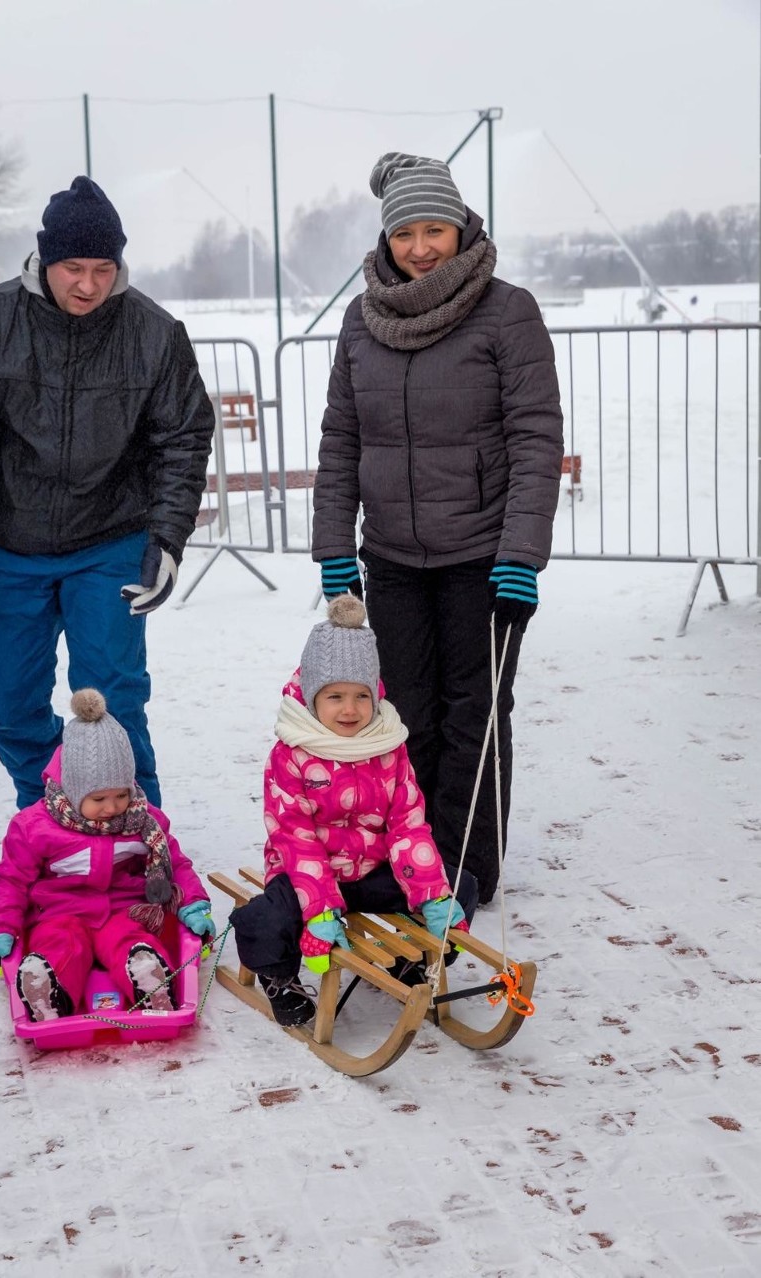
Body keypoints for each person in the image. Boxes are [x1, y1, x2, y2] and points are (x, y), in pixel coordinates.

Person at [313, 152, 564, 905]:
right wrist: (333, 548)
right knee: (403, 715)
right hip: (389, 555)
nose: (420, 247)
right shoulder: (363, 319)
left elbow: (534, 437)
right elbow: (341, 441)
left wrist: (521, 554)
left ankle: (466, 868)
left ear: (460, 227)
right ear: (385, 239)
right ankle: (412, 861)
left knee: (475, 715)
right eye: (405, 234)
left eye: (434, 230)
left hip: (483, 556)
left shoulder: (506, 310)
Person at [0, 176, 215, 810]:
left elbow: (184, 440)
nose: (89, 284)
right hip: (11, 543)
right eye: (73, 267)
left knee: (112, 702)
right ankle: (51, 817)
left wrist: (166, 539)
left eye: (104, 268)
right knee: (6, 699)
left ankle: (143, 847)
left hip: (110, 541)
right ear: (44, 260)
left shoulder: (154, 333)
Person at [230, 594, 478, 1027]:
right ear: (312, 698)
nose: (349, 709)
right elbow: (294, 835)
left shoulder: (388, 745)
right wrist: (321, 908)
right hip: (305, 873)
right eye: (335, 696)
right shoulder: (291, 753)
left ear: (376, 696)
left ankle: (414, 960)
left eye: (361, 696)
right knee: (266, 917)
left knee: (462, 885)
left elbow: (408, 824)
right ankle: (279, 977)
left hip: (372, 870)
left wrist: (433, 894)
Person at [0, 689, 216, 1022]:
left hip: (125, 908)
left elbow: (174, 862)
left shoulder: (142, 820)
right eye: (99, 798)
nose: (112, 807)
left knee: (130, 938)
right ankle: (48, 990)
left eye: (122, 794)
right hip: (60, 913)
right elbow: (11, 879)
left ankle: (148, 979)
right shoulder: (35, 827)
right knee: (60, 944)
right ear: (73, 791)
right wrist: (2, 927)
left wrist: (193, 903)